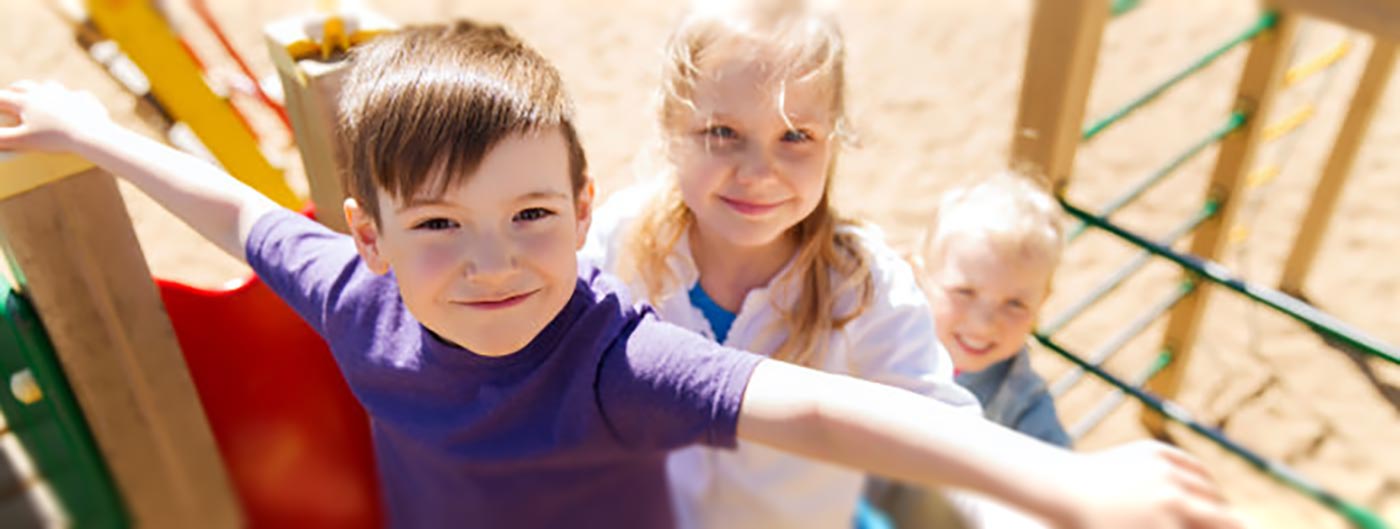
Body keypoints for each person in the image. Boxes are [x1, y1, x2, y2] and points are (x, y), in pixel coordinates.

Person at [0, 20, 1241, 529]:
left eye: (531, 215)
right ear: (367, 238)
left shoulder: (612, 358)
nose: (494, 264)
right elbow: (229, 210)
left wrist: (1060, 479)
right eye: (438, 227)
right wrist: (85, 128)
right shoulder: (349, 295)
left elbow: (817, 403)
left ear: (581, 210)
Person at [580, 1, 980, 527]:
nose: (758, 172)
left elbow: (949, 433)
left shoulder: (863, 287)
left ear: (833, 141)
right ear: (671, 129)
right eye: (722, 133)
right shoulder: (622, 240)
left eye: (795, 136)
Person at [931, 171, 1072, 447]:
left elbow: (1059, 471)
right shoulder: (887, 338)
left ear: (1041, 302)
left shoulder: (1024, 407)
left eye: (1015, 304)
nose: (983, 324)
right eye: (964, 292)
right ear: (924, 278)